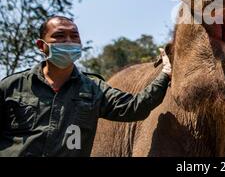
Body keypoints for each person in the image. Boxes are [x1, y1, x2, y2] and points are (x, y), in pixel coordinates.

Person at [0, 16, 172, 156]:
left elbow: (136, 107)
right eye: (59, 36)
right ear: (41, 46)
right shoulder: (11, 86)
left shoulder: (93, 89)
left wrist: (165, 74)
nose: (68, 41)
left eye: (74, 36)